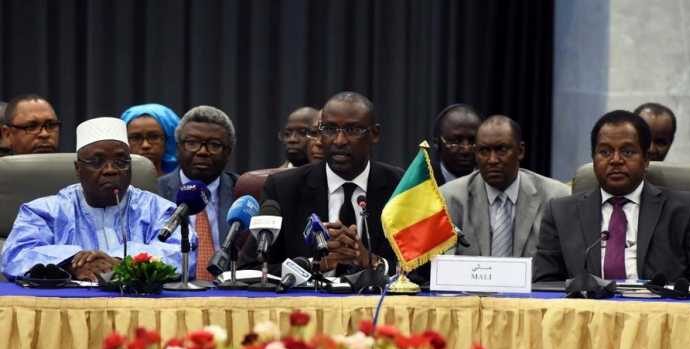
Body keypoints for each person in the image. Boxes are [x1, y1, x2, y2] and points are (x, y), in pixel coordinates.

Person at [0, 117, 187, 281]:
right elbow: (15, 256)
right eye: (97, 162)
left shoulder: (160, 210)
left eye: (121, 162)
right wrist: (71, 262)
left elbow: (185, 255)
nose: (110, 170)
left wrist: (122, 261)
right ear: (77, 168)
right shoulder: (44, 211)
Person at [241, 91, 403, 276]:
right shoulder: (283, 188)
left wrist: (373, 263)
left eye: (352, 130)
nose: (339, 140)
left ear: (374, 134)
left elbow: (425, 270)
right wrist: (313, 264)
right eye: (330, 129)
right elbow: (249, 269)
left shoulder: (399, 187)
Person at [533, 110, 690, 282]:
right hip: (586, 306)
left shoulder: (684, 210)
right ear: (593, 158)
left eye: (627, 152)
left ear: (646, 159)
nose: (615, 160)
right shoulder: (560, 213)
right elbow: (545, 283)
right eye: (605, 152)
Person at [405, 116, 571, 283]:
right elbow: (434, 270)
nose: (492, 160)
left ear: (520, 151)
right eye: (484, 151)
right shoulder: (447, 198)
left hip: (534, 303)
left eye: (501, 150)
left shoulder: (556, 198)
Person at [158, 105, 239, 280]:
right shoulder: (155, 193)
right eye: (192, 143)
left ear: (228, 152)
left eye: (214, 145)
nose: (203, 152)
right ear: (178, 147)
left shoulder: (242, 192)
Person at [121, 103, 180, 176]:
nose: (145, 145)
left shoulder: (183, 180)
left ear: (168, 140)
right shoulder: (116, 182)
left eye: (154, 137)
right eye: (136, 138)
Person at [431, 104, 482, 185]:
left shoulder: (489, 183)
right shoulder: (421, 184)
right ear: (437, 143)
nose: (466, 149)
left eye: (473, 141)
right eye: (456, 141)